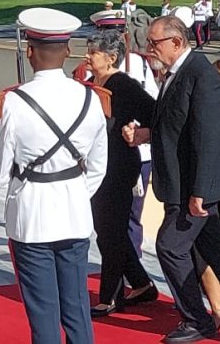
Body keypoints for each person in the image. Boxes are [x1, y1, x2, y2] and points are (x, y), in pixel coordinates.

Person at [0, 7, 108, 344]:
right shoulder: (91, 97)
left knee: (43, 315)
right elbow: (98, 166)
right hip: (74, 214)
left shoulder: (12, 103)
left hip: (32, 217)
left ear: (29, 51)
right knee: (77, 311)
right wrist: (71, 191)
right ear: (67, 50)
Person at [123, 15, 220, 343]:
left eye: (154, 43)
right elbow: (176, 124)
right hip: (180, 186)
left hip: (193, 189)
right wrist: (145, 134)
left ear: (176, 42)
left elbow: (207, 137)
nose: (149, 49)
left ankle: (197, 320)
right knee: (210, 249)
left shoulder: (200, 75)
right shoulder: (175, 73)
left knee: (170, 247)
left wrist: (201, 190)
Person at [83, 30, 157, 315]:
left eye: (94, 52)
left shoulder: (124, 85)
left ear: (111, 57)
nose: (88, 56)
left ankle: (110, 296)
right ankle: (141, 283)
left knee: (110, 231)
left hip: (119, 166)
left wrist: (138, 132)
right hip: (95, 167)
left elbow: (154, 114)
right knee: (105, 228)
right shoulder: (89, 83)